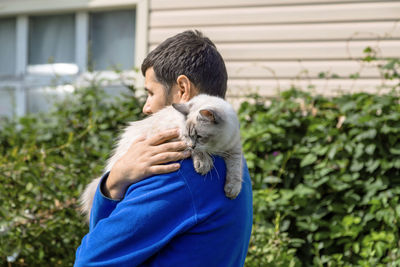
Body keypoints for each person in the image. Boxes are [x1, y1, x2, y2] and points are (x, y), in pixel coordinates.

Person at [74, 30, 253, 267]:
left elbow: (91, 260)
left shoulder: (177, 169)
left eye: (151, 93)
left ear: (182, 90)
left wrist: (116, 182)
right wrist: (114, 181)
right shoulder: (231, 160)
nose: (147, 107)